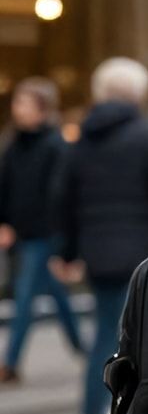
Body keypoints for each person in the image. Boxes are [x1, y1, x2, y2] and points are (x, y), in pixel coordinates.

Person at [54, 58, 148, 414]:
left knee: (103, 336)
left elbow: (63, 200)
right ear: (138, 93)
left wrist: (68, 252)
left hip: (99, 256)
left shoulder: (81, 141)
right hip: (145, 253)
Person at [0, 77, 85, 387]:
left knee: (24, 296)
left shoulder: (56, 144)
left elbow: (60, 193)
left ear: (42, 108)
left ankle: (10, 364)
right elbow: (4, 186)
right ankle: (84, 350)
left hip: (48, 233)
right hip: (24, 233)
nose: (17, 108)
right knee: (58, 297)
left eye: (24, 102)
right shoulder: (14, 144)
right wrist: (5, 222)